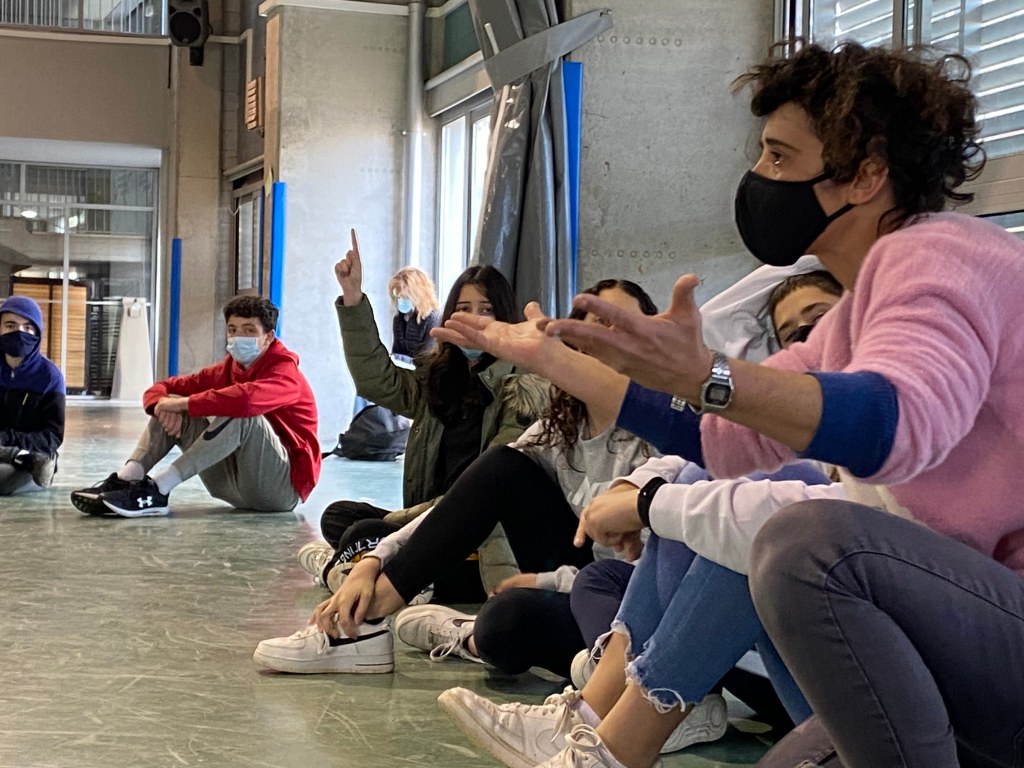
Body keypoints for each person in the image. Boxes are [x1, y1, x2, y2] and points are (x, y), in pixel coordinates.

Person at [449, 41, 1022, 768]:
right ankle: (606, 737)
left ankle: (615, 744)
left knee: (805, 539)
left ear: (867, 174)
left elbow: (897, 422)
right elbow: (726, 442)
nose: (758, 177)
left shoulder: (943, 256)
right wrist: (560, 361)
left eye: (779, 157)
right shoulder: (855, 315)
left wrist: (705, 377)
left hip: (998, 638)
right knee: (762, 512)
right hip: (951, 639)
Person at [432, 267, 844, 765]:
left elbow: (777, 498)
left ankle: (616, 733)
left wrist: (647, 506)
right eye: (791, 333)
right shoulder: (562, 424)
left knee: (745, 516)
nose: (808, 337)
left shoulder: (889, 409)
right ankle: (595, 718)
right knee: (696, 490)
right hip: (690, 613)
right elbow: (709, 448)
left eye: (822, 318)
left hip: (834, 671)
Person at [252, 280, 663, 679]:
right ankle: (368, 621)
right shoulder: (558, 425)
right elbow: (474, 489)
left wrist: (547, 582)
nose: (608, 337)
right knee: (491, 477)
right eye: (597, 324)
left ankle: (462, 633)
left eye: (624, 324)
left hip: (621, 600)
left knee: (504, 623)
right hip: (563, 572)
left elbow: (655, 576)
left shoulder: (661, 436)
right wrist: (376, 559)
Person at [306, 229, 548, 603]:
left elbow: (481, 491)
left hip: (479, 533)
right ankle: (364, 567)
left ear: (505, 317)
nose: (474, 319)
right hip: (427, 520)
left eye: (486, 309)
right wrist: (353, 297)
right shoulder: (440, 376)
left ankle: (353, 568)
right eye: (464, 308)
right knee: (339, 516)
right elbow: (378, 380)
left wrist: (398, 524)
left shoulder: (522, 388)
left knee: (364, 534)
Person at [70, 295, 320, 518]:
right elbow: (162, 388)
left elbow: (246, 401)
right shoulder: (228, 369)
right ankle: (127, 478)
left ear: (268, 337)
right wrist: (161, 406)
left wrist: (183, 404)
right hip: (233, 486)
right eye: (232, 329)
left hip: (280, 490)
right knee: (170, 400)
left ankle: (159, 488)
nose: (238, 337)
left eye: (249, 330)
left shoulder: (286, 372)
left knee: (240, 412)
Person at [0, 295, 65, 495]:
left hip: (33, 459)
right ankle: (16, 455)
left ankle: (23, 459)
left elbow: (51, 437)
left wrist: (5, 438)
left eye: (28, 327)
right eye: (10, 325)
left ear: (37, 333)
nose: (19, 332)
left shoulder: (50, 377)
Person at [388, 266, 439, 360]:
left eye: (406, 298)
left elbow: (427, 358)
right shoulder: (398, 319)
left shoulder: (432, 319)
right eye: (398, 298)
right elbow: (396, 352)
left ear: (419, 296)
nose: (401, 301)